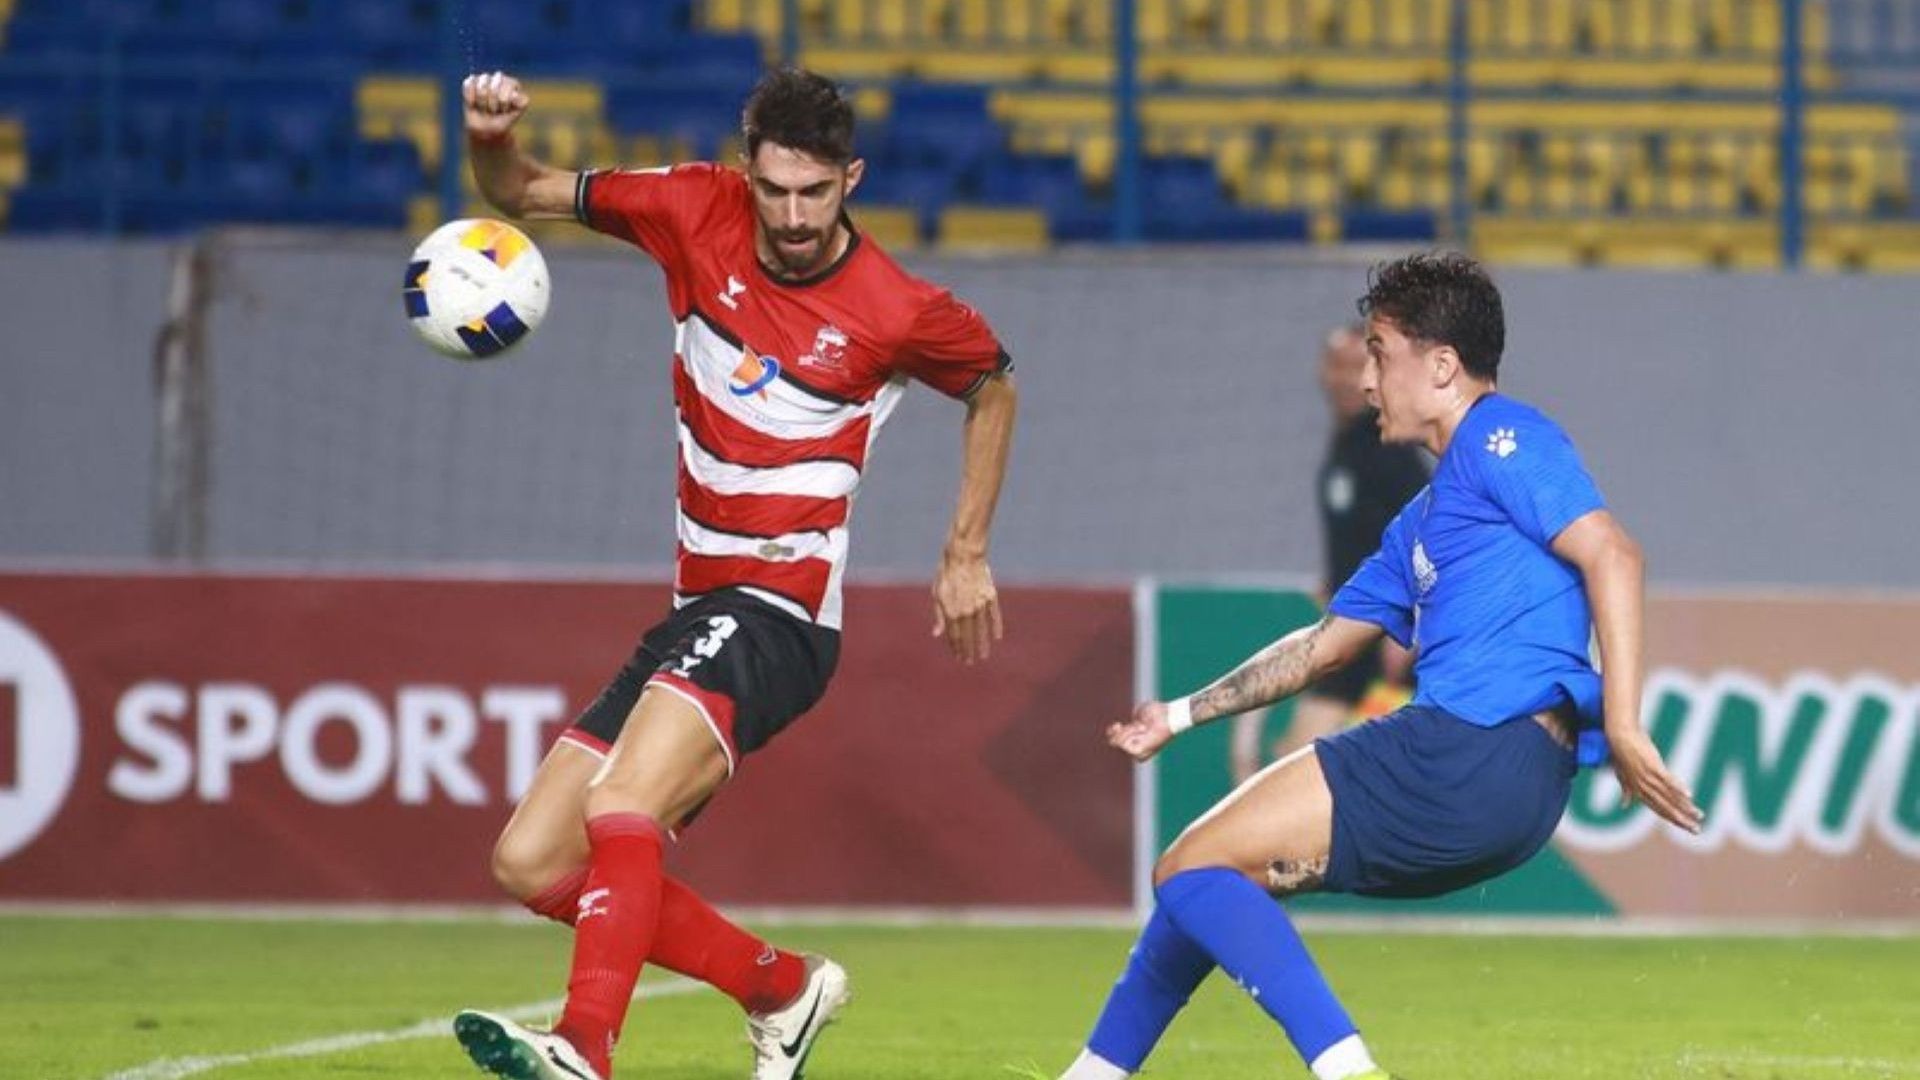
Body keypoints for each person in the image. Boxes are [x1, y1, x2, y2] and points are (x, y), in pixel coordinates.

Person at [450, 67, 1019, 1080]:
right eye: (774, 190)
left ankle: (584, 1048)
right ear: (744, 172)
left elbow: (993, 386)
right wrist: (491, 139)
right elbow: (518, 192)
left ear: (852, 179)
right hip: (698, 610)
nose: (794, 217)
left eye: (816, 193)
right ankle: (782, 989)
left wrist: (966, 549)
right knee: (531, 860)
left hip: (782, 614)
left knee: (622, 803)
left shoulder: (896, 308)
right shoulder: (689, 209)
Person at [1056, 252, 1702, 1080]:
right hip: (1506, 786)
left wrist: (1624, 725)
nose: (1366, 380)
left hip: (1471, 747)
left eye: (1378, 352)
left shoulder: (1503, 437)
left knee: (1190, 867)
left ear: (1442, 367)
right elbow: (1321, 645)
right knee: (1207, 872)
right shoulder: (1420, 522)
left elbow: (1614, 553)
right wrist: (1180, 714)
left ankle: (1346, 1071)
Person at [1231, 324, 1429, 783]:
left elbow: (1431, 533)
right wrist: (1333, 583)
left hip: (1386, 640)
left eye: (1356, 367)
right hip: (1349, 631)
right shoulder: (1344, 443)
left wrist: (1415, 621)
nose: (1344, 379)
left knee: (1328, 774)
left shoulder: (1390, 448)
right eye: (1336, 366)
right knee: (1300, 768)